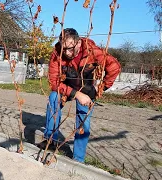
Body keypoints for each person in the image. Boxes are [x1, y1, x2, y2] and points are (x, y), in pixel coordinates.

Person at [38, 28, 121, 163]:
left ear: (78, 43)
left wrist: (101, 88)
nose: (66, 53)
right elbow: (54, 82)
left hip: (88, 90)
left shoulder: (92, 51)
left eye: (69, 49)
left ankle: (78, 159)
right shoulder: (57, 53)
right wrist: (76, 94)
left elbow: (114, 67)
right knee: (54, 98)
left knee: (83, 122)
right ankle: (51, 141)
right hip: (68, 87)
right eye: (63, 49)